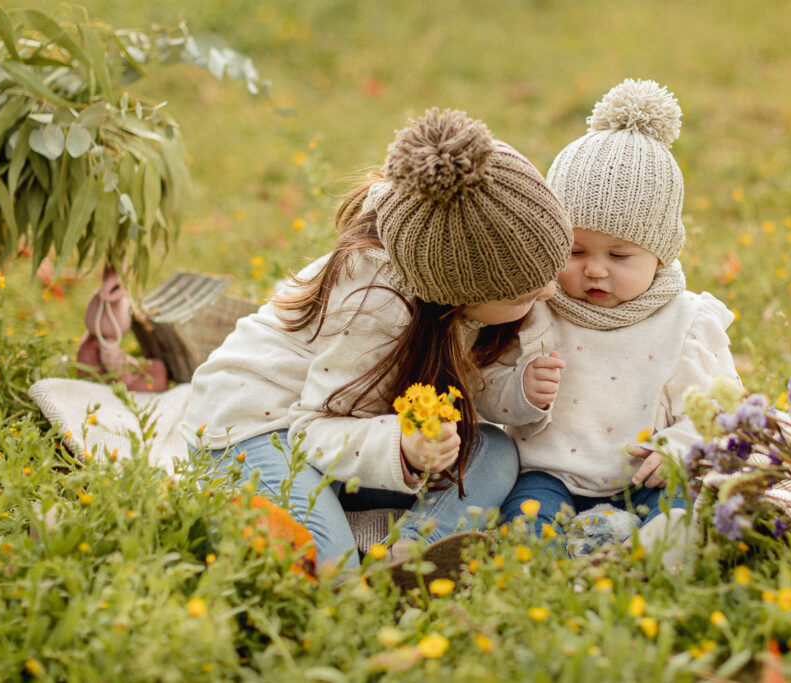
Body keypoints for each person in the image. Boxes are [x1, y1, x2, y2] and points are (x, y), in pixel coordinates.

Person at [179, 108, 573, 571]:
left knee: (494, 451)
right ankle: (343, 564)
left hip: (352, 432)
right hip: (255, 430)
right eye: (524, 294)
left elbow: (471, 383)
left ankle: (409, 554)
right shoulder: (376, 304)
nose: (550, 292)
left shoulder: (450, 280)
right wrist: (402, 447)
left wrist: (520, 388)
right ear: (458, 294)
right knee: (329, 566)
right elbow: (311, 431)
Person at [489, 79, 741, 549]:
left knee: (681, 504)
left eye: (620, 256)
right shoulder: (535, 308)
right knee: (526, 517)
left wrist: (679, 449)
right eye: (575, 251)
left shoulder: (685, 322)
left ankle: (654, 553)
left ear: (661, 255)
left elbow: (719, 411)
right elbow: (483, 387)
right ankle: (539, 563)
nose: (595, 270)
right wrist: (519, 390)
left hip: (644, 475)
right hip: (549, 473)